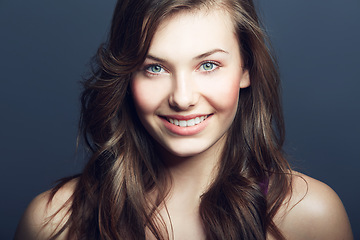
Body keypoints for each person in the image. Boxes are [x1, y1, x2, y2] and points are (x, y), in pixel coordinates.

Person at [14, 0, 353, 239]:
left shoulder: (310, 216)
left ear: (245, 68)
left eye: (208, 65)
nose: (182, 98)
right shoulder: (53, 222)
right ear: (127, 76)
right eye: (154, 68)